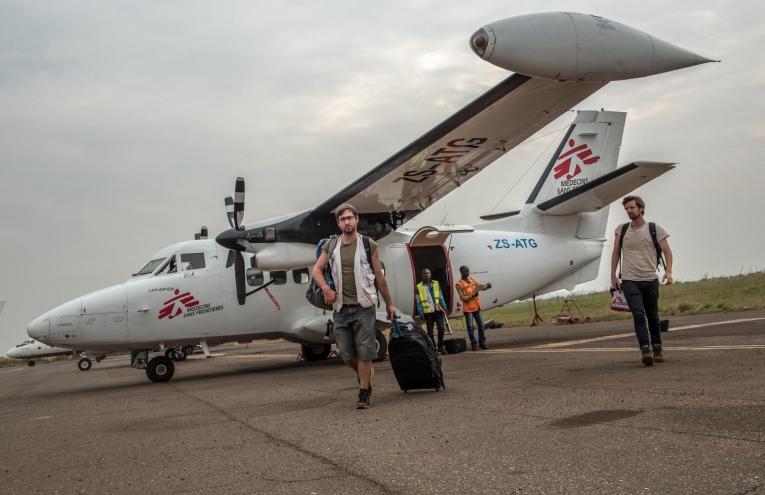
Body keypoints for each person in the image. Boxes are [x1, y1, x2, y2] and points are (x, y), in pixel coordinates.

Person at [312, 203, 396, 409]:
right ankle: (365, 375)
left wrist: (389, 304)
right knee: (346, 353)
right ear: (338, 223)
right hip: (341, 308)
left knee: (365, 351)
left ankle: (364, 392)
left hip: (364, 306)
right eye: (343, 219)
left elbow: (379, 277)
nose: (347, 222)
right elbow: (316, 270)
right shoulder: (330, 246)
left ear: (356, 219)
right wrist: (325, 288)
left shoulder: (369, 245)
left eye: (350, 218)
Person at [610, 195, 673, 366]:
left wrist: (668, 272)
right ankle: (646, 349)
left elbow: (667, 251)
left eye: (632, 207)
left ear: (641, 208)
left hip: (650, 279)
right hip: (630, 280)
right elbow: (616, 252)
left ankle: (657, 346)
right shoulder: (621, 230)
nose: (629, 211)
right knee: (638, 315)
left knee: (652, 315)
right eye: (627, 209)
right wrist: (613, 275)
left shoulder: (654, 229)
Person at [455, 266, 491, 351]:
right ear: (461, 272)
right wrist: (472, 296)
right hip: (468, 309)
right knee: (470, 327)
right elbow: (462, 298)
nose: (467, 273)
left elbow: (480, 287)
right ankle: (474, 344)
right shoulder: (459, 284)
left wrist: (487, 286)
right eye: (465, 271)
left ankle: (482, 343)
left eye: (468, 271)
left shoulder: (472, 280)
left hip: (477, 307)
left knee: (481, 326)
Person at [415, 268, 448, 354]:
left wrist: (444, 306)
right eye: (425, 273)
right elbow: (418, 301)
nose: (427, 275)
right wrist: (420, 312)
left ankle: (441, 346)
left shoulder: (436, 284)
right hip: (428, 312)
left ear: (431, 274)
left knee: (441, 328)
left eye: (428, 273)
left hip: (438, 310)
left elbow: (440, 296)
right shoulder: (418, 287)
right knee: (430, 332)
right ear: (422, 275)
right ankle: (433, 349)